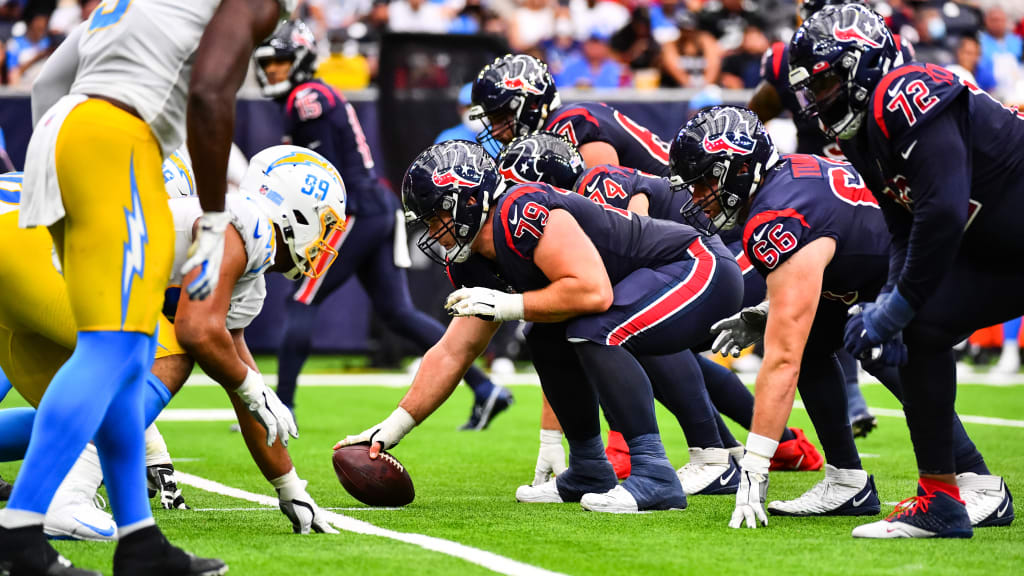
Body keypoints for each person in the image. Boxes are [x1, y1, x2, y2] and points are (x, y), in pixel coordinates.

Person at [1, 1, 294, 574]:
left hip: (61, 137)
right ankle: (21, 530)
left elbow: (52, 81)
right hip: (117, 142)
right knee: (115, 346)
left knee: (130, 355)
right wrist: (213, 218)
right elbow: (211, 93)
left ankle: (139, 539)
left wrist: (62, 163)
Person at [338, 139, 744, 513]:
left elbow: (592, 292)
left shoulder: (521, 212)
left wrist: (511, 304)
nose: (433, 231)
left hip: (695, 265)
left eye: (438, 215)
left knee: (595, 327)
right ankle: (588, 466)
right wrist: (391, 428)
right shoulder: (472, 259)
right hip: (648, 283)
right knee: (544, 333)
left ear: (466, 201)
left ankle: (655, 473)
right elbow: (454, 351)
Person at [671, 105, 1011, 529]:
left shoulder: (776, 217)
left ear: (738, 168)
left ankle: (979, 482)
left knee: (883, 347)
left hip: (923, 267)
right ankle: (847, 479)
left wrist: (755, 468)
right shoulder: (789, 174)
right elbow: (825, 259)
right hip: (886, 265)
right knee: (817, 340)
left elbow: (780, 361)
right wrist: (766, 311)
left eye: (704, 180)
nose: (698, 195)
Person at [0, 146, 343, 539]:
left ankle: (38, 506)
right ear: (296, 212)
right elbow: (197, 332)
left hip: (22, 266)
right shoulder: (248, 221)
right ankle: (66, 498)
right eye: (326, 225)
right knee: (174, 351)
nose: (325, 243)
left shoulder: (249, 272)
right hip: (38, 249)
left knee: (71, 417)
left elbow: (241, 383)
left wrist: (290, 487)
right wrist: (252, 387)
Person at [788, 3, 1024, 538]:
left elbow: (941, 211)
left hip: (1003, 237)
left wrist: (897, 306)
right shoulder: (861, 132)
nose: (817, 102)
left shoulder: (906, 91)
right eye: (810, 90)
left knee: (913, 321)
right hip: (1001, 248)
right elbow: (903, 224)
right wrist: (890, 300)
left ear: (861, 64)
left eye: (824, 83)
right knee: (921, 331)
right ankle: (942, 500)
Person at [254, 20, 512, 430]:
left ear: (300, 60)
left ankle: (281, 406)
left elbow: (319, 174)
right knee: (397, 312)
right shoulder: (312, 95)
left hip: (354, 208)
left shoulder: (307, 97)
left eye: (281, 62)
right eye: (269, 64)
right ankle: (485, 389)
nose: (273, 71)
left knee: (302, 299)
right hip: (373, 205)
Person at [747, 0, 917, 438]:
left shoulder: (888, 55)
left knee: (868, 313)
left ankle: (960, 468)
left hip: (856, 190)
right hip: (834, 189)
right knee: (826, 316)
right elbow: (754, 117)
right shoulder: (792, 57)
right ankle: (852, 459)